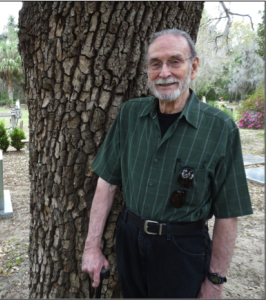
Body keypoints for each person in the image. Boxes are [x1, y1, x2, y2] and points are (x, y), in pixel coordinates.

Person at [81, 28, 253, 299]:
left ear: (193, 67)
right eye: (155, 64)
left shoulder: (220, 129)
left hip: (182, 251)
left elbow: (228, 213)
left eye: (175, 61)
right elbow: (107, 182)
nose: (164, 73)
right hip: (129, 239)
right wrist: (92, 247)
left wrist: (215, 281)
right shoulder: (130, 115)